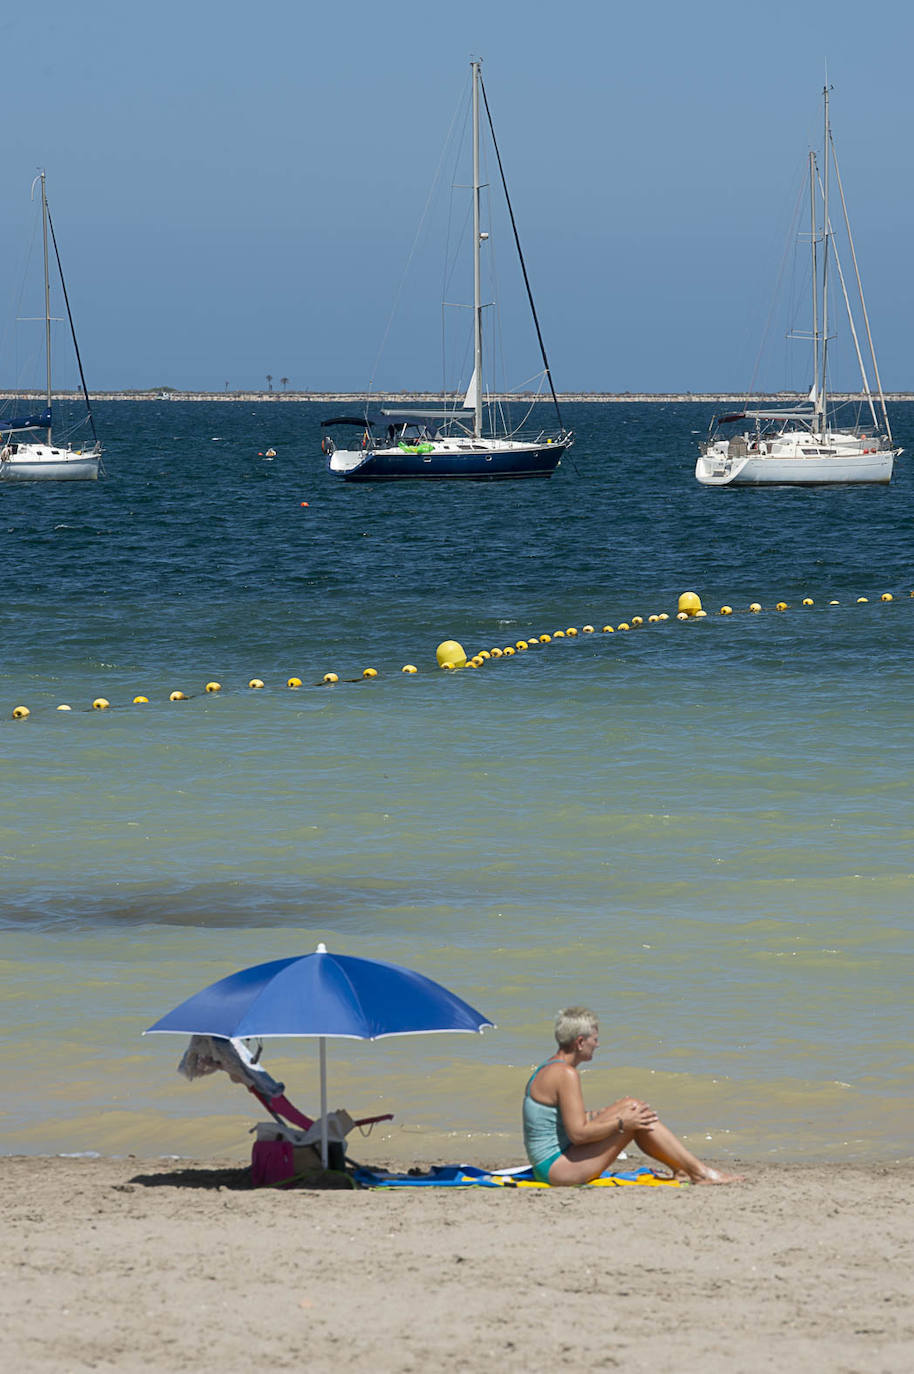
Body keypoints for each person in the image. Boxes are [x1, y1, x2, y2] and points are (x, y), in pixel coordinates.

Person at [522, 1006, 741, 1186]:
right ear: (580, 1042)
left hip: (553, 1161)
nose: (597, 1044)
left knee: (631, 1105)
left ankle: (684, 1170)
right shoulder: (565, 1074)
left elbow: (561, 1122)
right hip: (557, 1170)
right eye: (594, 1039)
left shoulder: (550, 1067)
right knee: (634, 1119)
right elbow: (578, 1134)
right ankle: (699, 1173)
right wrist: (621, 1123)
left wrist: (609, 1113)